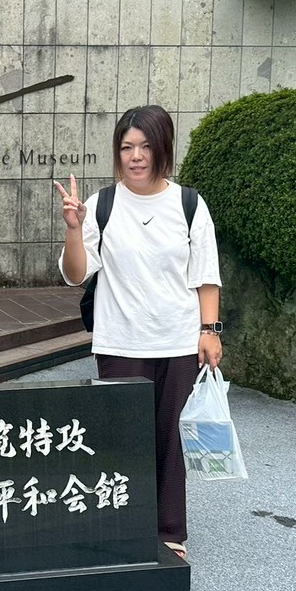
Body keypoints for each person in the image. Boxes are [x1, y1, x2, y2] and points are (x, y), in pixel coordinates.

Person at [56, 105, 223, 564]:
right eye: (127, 147)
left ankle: (169, 530)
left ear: (162, 148)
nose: (135, 156)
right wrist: (74, 230)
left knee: (171, 438)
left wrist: (210, 330)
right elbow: (75, 274)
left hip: (178, 341)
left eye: (146, 146)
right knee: (120, 437)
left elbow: (206, 275)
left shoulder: (189, 204)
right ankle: (121, 526)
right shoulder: (101, 205)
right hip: (120, 342)